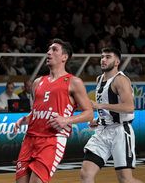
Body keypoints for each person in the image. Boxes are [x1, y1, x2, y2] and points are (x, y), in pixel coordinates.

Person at [14, 39, 93, 183]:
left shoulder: (74, 82)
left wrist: (66, 120)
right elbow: (36, 111)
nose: (49, 52)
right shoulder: (37, 82)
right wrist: (25, 119)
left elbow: (89, 113)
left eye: (54, 50)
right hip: (30, 138)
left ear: (64, 57)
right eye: (49, 49)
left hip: (52, 139)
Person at [80, 47, 142, 183]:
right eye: (102, 57)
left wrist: (100, 106)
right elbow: (109, 108)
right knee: (85, 174)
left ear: (117, 62)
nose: (103, 60)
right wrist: (99, 119)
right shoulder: (99, 79)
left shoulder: (120, 80)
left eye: (108, 57)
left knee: (125, 179)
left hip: (120, 131)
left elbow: (129, 107)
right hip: (102, 131)